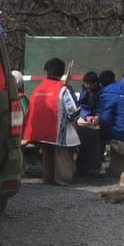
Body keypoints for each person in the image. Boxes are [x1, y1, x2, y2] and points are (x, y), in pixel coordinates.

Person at [22, 57, 81, 186]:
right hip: (56, 136)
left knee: (48, 149)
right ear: (62, 72)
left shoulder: (38, 89)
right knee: (67, 143)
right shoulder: (63, 89)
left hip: (35, 134)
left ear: (46, 72)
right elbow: (73, 112)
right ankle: (63, 179)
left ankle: (48, 178)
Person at [74, 71, 104, 176]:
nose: (86, 85)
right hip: (87, 118)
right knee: (93, 136)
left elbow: (103, 107)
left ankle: (85, 168)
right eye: (85, 83)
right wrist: (87, 116)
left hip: (96, 118)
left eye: (88, 83)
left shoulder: (101, 92)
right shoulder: (85, 90)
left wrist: (98, 117)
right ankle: (93, 169)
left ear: (95, 83)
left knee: (92, 135)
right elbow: (80, 105)